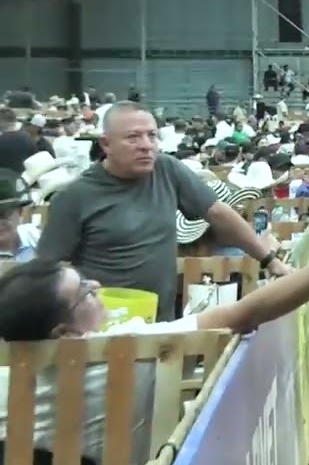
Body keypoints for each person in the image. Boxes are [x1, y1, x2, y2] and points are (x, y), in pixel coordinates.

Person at [0, 227, 309, 465]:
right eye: (84, 291)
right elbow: (241, 315)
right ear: (64, 333)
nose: (97, 285)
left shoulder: (8, 374)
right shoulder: (124, 351)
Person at [36, 102, 293, 322]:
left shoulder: (166, 170)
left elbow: (218, 213)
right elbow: (47, 269)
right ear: (106, 144)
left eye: (152, 136)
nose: (146, 145)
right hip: (104, 326)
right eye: (133, 137)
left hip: (161, 323)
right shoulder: (75, 197)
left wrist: (269, 260)